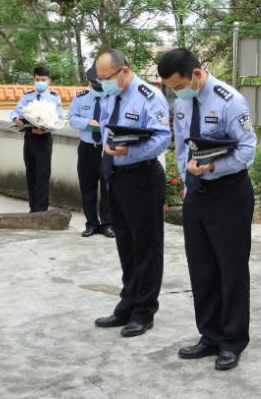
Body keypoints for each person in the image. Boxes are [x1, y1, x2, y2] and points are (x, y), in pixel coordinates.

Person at [159, 48, 257, 371]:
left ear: (197, 75)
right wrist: (189, 184)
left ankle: (232, 341)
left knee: (230, 270)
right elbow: (181, 145)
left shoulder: (231, 102)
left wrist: (212, 167)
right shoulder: (183, 101)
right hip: (197, 194)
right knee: (201, 269)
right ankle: (210, 335)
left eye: (179, 85)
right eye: (172, 88)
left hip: (229, 194)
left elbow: (247, 150)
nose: (176, 92)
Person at [93, 49, 172, 338]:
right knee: (125, 243)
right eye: (99, 78)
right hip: (116, 175)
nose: (103, 83)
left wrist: (131, 150)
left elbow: (163, 138)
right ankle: (127, 303)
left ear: (124, 71)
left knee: (146, 246)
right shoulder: (110, 94)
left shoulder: (150, 97)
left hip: (142, 176)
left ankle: (144, 311)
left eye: (107, 77)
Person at [67, 66, 114, 238]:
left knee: (107, 188)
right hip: (87, 149)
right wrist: (89, 123)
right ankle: (91, 224)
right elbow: (71, 119)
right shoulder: (81, 98)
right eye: (96, 84)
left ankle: (107, 224)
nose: (99, 87)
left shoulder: (113, 98)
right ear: (90, 82)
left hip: (106, 149)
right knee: (87, 188)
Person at [9, 66, 62, 213]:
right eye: (37, 79)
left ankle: (41, 210)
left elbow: (59, 120)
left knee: (43, 175)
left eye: (43, 80)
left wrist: (45, 128)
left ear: (49, 81)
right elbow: (15, 111)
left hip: (44, 139)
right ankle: (33, 209)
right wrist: (16, 118)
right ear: (34, 79)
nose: (40, 82)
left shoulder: (54, 97)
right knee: (31, 174)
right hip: (30, 138)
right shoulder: (27, 96)